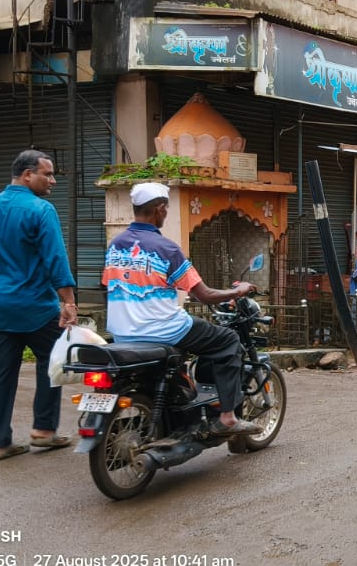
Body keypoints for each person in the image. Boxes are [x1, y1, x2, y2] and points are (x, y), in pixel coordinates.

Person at [103, 183, 261, 437]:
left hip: (122, 333)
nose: (166, 213)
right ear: (159, 209)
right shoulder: (167, 249)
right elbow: (204, 295)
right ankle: (228, 417)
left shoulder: (115, 245)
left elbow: (112, 285)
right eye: (166, 208)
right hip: (164, 330)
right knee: (228, 340)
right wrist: (237, 291)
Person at [0, 150, 79, 461]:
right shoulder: (42, 210)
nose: (52, 180)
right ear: (27, 175)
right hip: (35, 307)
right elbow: (55, 258)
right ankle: (43, 429)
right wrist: (68, 301)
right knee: (52, 361)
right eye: (47, 174)